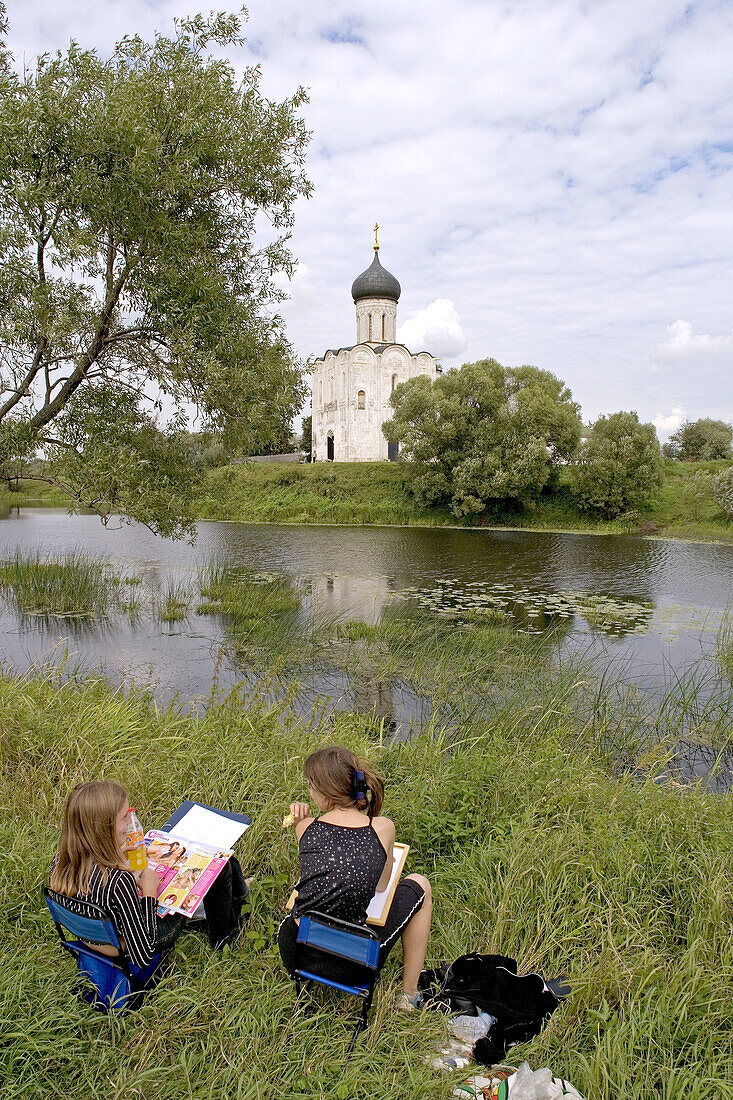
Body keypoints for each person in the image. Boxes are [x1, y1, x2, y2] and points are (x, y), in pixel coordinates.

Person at [278, 745, 432, 1010]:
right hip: (355, 965)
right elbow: (383, 885)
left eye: (311, 787)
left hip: (296, 953)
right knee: (421, 884)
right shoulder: (382, 828)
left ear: (323, 792)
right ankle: (409, 995)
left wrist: (300, 820)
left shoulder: (305, 828)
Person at [49, 780, 247, 969]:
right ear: (104, 828)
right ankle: (223, 939)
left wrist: (116, 854)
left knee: (223, 865)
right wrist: (150, 892)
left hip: (92, 938)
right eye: (124, 817)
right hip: (131, 943)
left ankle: (236, 903)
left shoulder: (61, 861)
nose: (130, 821)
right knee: (221, 867)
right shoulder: (118, 881)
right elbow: (143, 954)